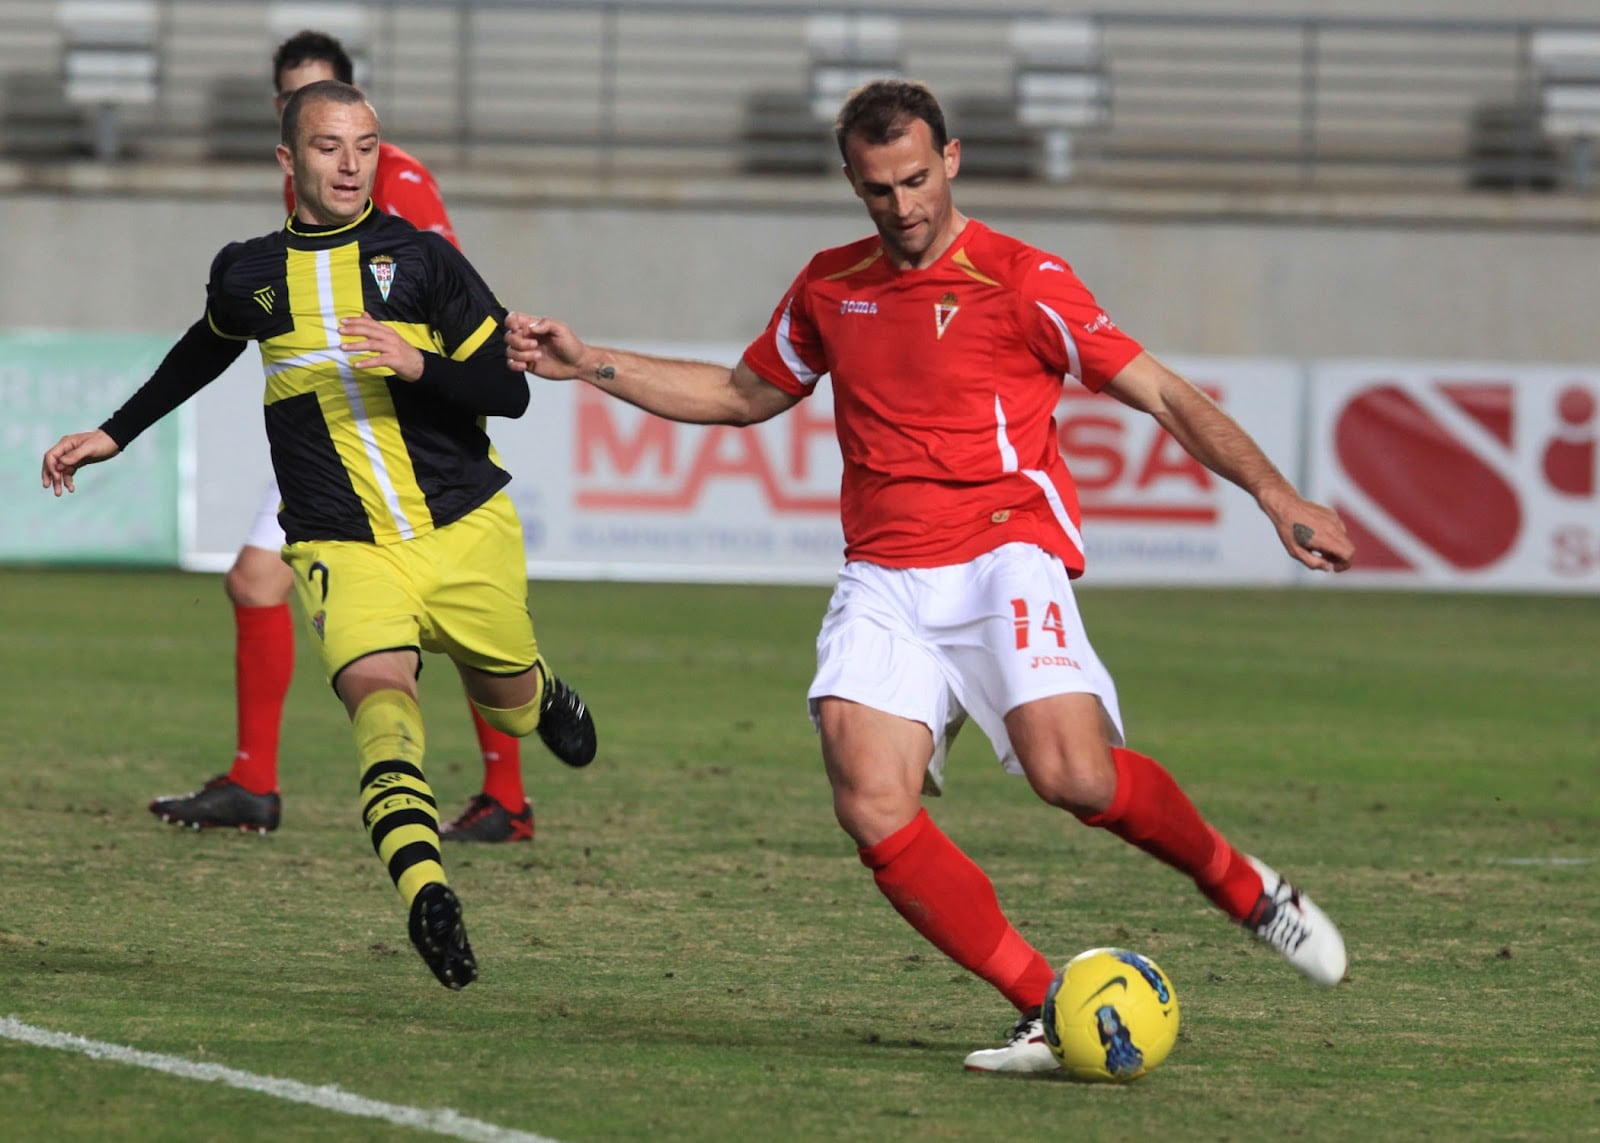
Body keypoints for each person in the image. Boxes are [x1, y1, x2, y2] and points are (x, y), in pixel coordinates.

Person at [503, 79, 1353, 1070]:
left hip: (1003, 555)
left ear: (948, 160)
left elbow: (1162, 392)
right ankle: (1049, 1003)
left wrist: (1275, 493)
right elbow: (741, 395)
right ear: (852, 182)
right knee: (868, 799)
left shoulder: (1022, 279)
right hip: (884, 575)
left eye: (914, 180)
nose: (901, 207)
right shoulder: (829, 285)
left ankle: (1244, 889)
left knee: (1073, 777)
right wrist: (588, 360)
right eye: (876, 189)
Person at [42, 80, 597, 989]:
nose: (350, 163)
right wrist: (115, 432)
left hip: (461, 527)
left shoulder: (421, 261)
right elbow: (204, 346)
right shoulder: (251, 271)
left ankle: (541, 699)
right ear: (288, 161)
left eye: (367, 145)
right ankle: (427, 893)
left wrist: (419, 363)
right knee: (381, 703)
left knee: (506, 699)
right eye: (331, 145)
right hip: (338, 541)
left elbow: (512, 391)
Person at [148, 29, 538, 844]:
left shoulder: (396, 183)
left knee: (456, 623)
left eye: (331, 105)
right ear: (285, 124)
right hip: (322, 425)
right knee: (257, 583)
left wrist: (424, 374)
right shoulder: (296, 207)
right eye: (298, 103)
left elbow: (450, 293)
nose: (340, 152)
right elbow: (225, 330)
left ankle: (505, 791)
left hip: (397, 430)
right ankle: (258, 778)